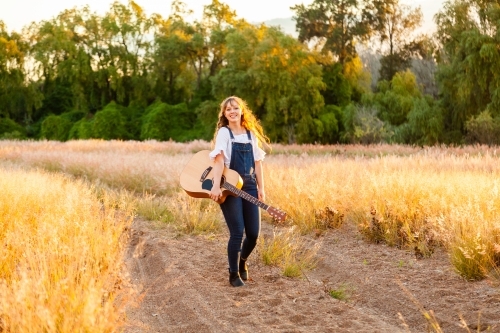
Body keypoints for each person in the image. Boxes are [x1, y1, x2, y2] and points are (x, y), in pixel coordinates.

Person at [209, 96, 270, 287]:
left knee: (253, 233)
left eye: (235, 108)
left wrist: (261, 188)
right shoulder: (224, 133)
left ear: (242, 110)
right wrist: (215, 185)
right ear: (224, 114)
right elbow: (219, 161)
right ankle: (233, 273)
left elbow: (258, 164)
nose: (232, 111)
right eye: (228, 109)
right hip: (229, 186)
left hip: (250, 185)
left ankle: (243, 261)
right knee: (237, 231)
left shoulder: (251, 134)